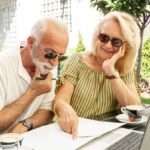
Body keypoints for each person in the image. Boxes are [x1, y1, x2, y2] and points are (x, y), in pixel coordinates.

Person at [53, 11, 141, 137]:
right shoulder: (77, 61)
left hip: (107, 135)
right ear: (96, 36)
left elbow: (134, 109)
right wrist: (63, 108)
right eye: (104, 38)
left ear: (126, 47)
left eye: (116, 42)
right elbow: (61, 100)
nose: (107, 45)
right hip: (74, 134)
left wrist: (111, 72)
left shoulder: (123, 68)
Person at [0, 17, 68, 133]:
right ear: (31, 43)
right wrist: (33, 91)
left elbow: (47, 110)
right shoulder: (3, 65)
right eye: (50, 53)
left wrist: (25, 125)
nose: (55, 63)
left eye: (60, 56)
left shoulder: (44, 64)